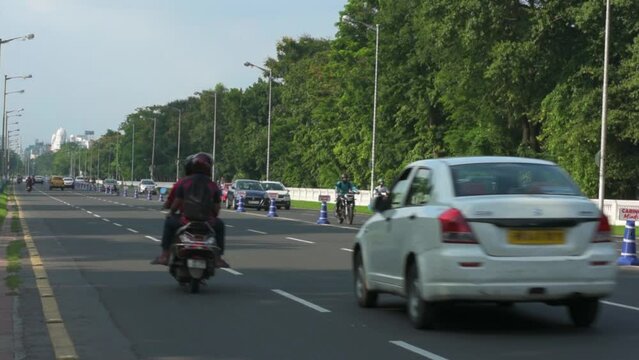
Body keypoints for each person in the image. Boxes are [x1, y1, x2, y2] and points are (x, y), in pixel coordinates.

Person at [151, 152, 229, 267]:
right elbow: (217, 209)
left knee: (169, 223)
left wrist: (171, 212)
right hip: (208, 222)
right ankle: (218, 258)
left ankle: (165, 255)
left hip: (185, 220)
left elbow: (176, 202)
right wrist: (211, 216)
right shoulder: (212, 185)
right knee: (220, 225)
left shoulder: (183, 182)